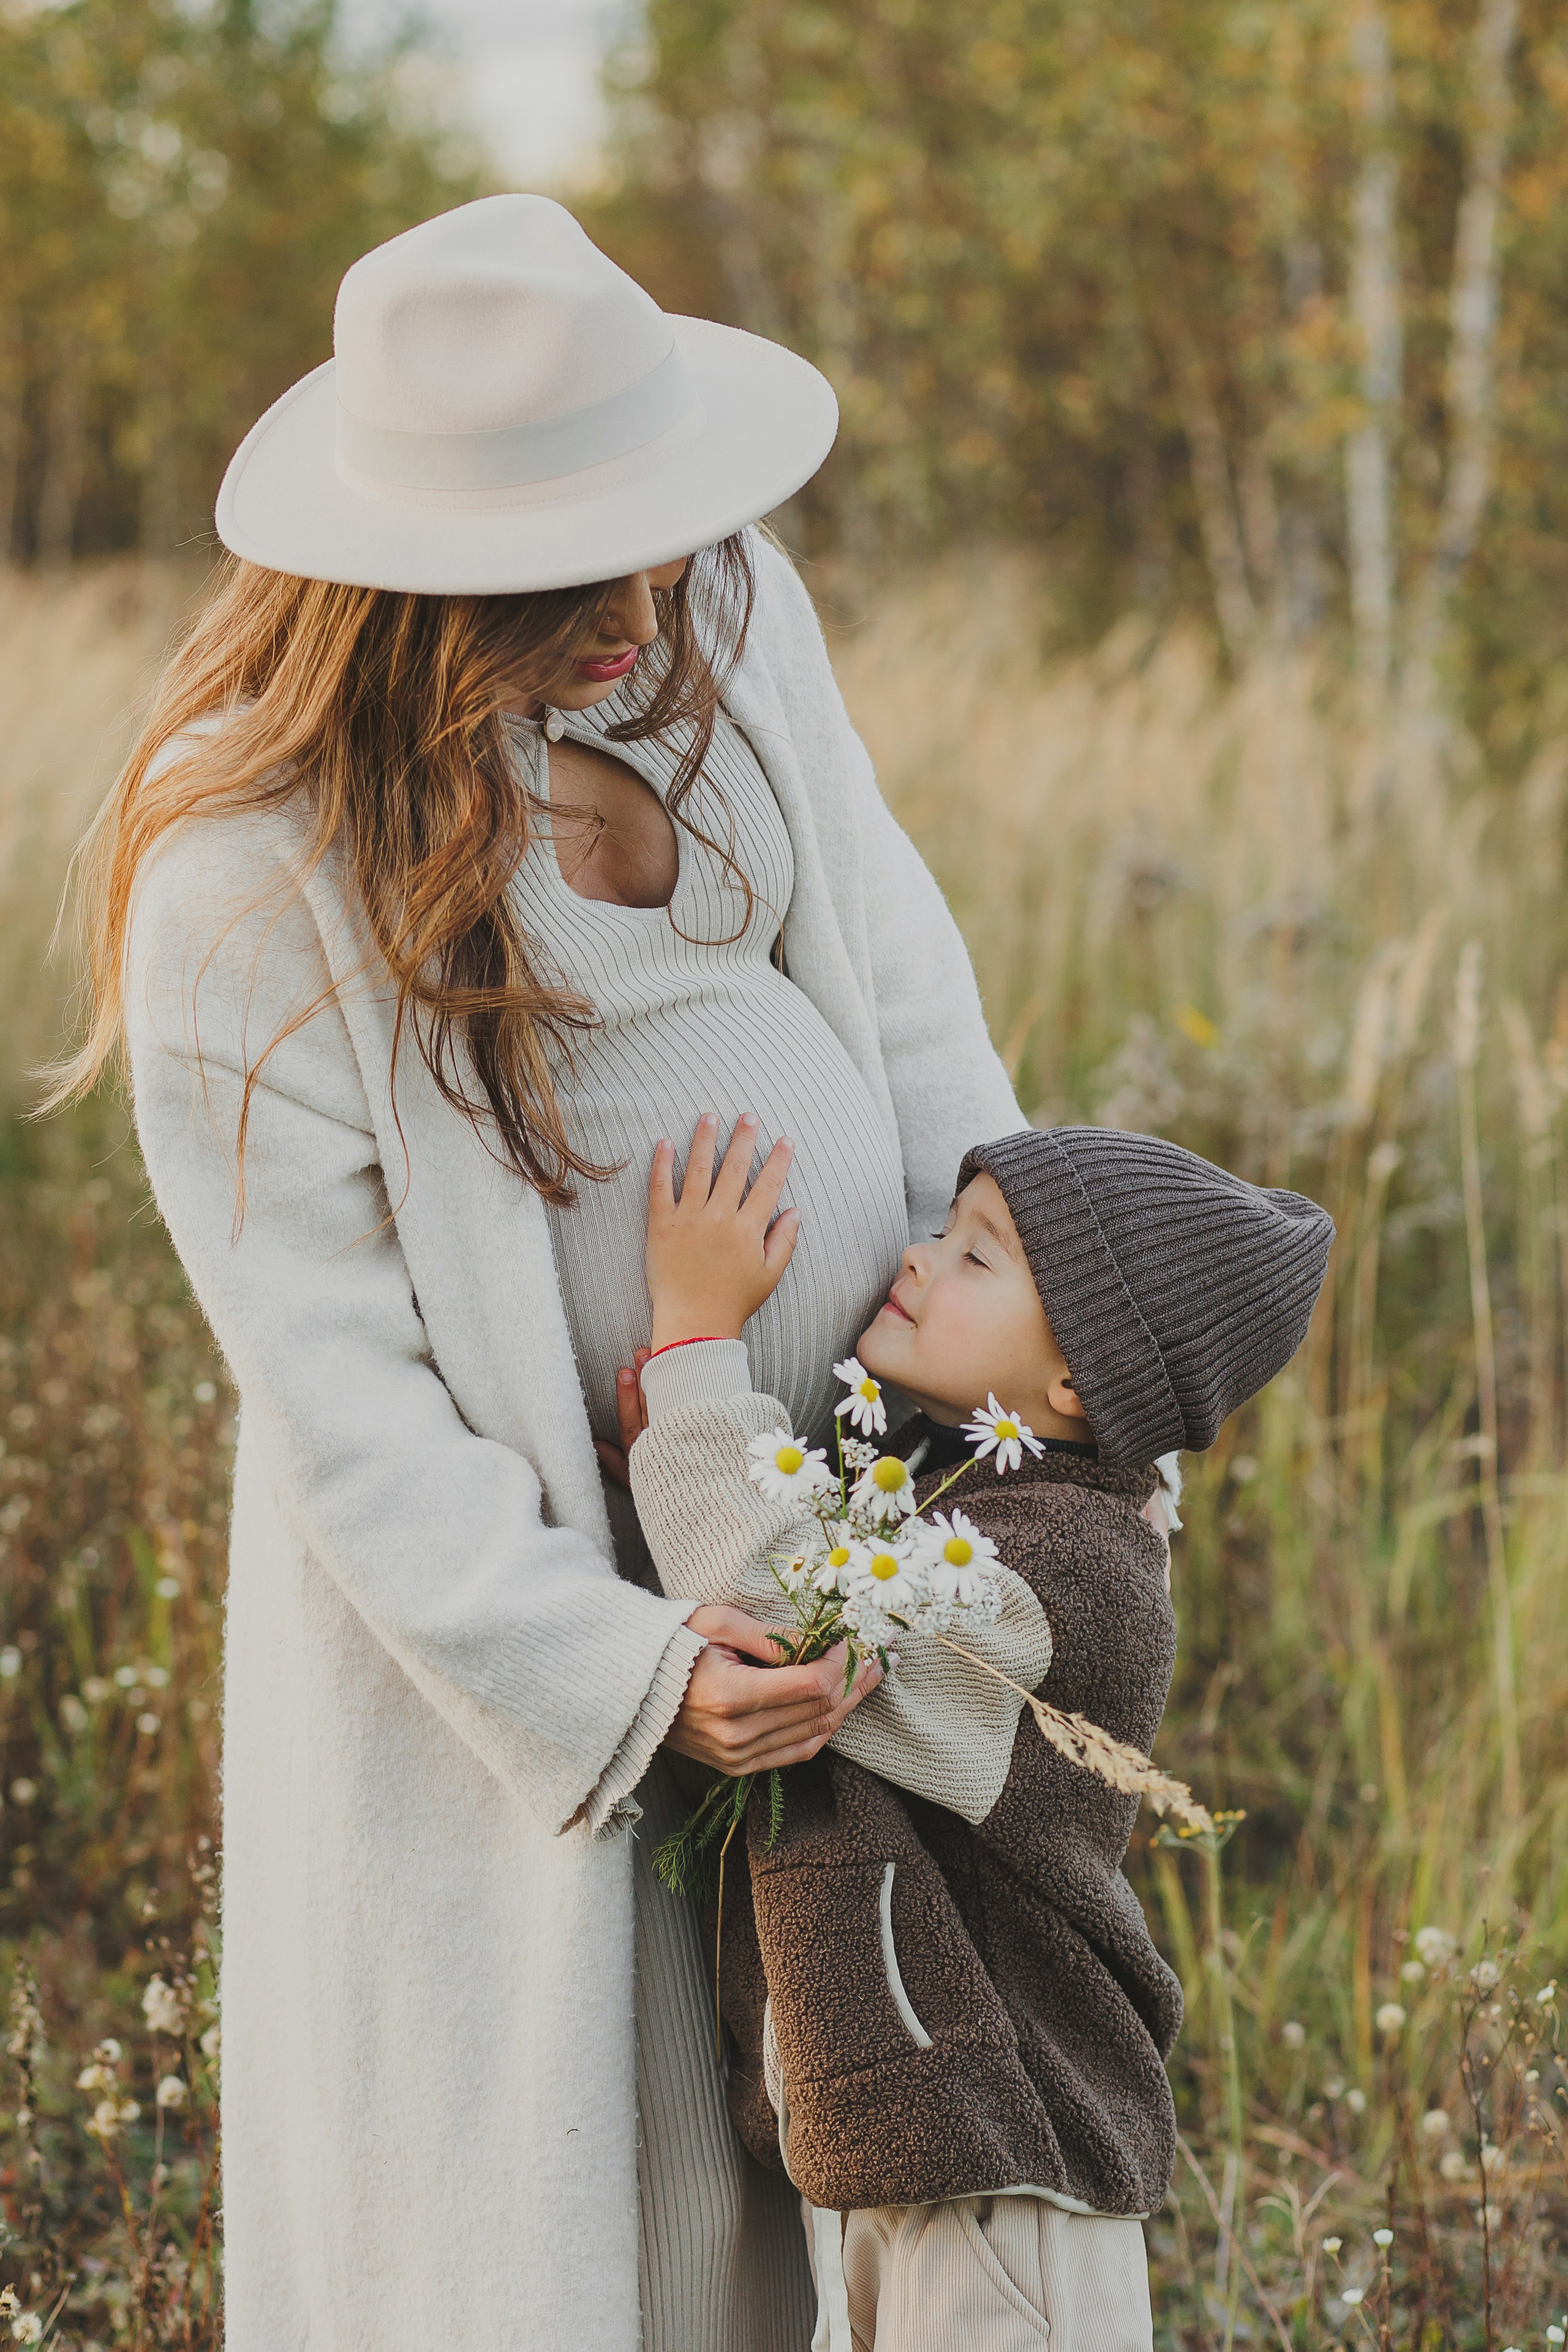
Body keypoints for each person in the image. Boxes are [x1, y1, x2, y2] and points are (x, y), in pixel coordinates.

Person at [53, 194, 1025, 2350]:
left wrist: (1029, 1363)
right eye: (574, 577)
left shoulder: (732, 619)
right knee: (606, 2245)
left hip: (844, 1544)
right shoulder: (245, 873)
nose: (641, 603)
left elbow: (916, 993)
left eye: (660, 535)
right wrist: (631, 1670)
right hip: (544, 1664)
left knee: (873, 2204)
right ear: (405, 587)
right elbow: (345, 1407)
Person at [617, 1118, 1334, 2350]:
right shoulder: (967, 1505)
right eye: (944, 1230)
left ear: (1078, 1384)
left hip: (1004, 2173)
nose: (916, 1256)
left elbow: (781, 1604)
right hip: (918, 2150)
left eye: (976, 1257)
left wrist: (696, 1344)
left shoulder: (1057, 1580)